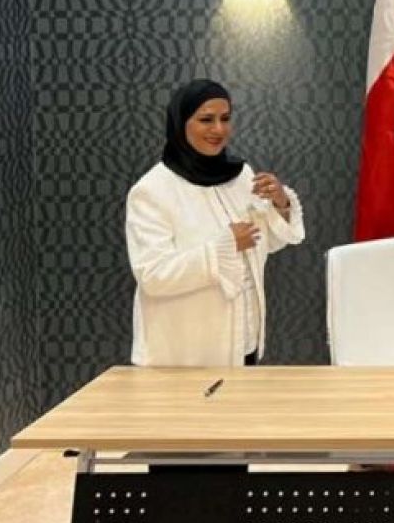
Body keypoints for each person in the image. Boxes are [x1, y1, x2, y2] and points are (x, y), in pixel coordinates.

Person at [125, 79, 305, 367]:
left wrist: (280, 204)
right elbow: (153, 275)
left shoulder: (240, 175)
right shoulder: (153, 190)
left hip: (243, 340)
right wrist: (223, 248)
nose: (219, 129)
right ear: (181, 124)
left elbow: (259, 243)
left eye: (225, 118)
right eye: (206, 120)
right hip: (185, 354)